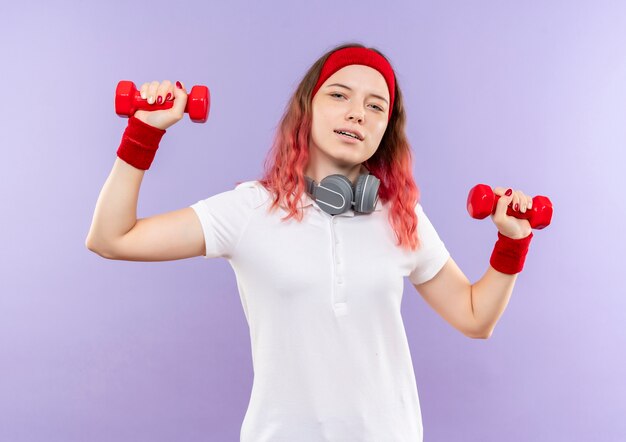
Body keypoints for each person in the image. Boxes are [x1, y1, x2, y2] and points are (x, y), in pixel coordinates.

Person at [86, 42, 534, 441]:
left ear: (385, 131)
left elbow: (475, 317)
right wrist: (145, 130)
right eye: (339, 95)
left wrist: (511, 242)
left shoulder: (402, 216)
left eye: (376, 106)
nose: (357, 112)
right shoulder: (248, 210)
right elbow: (111, 237)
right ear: (308, 110)